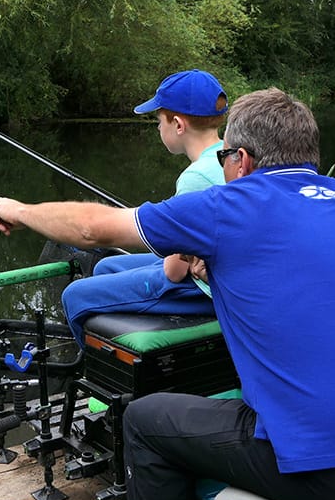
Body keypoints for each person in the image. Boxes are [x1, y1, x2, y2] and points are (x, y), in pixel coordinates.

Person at [0, 88, 335, 500]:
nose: (222, 165)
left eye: (224, 157)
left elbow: (91, 229)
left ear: (242, 161)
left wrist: (17, 209)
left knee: (145, 422)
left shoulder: (230, 205)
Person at [61, 69, 227, 347]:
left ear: (178, 124)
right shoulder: (228, 159)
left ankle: (98, 372)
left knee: (74, 295)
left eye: (158, 120)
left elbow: (174, 272)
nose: (157, 127)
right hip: (213, 273)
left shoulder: (195, 177)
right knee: (107, 265)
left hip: (199, 291)